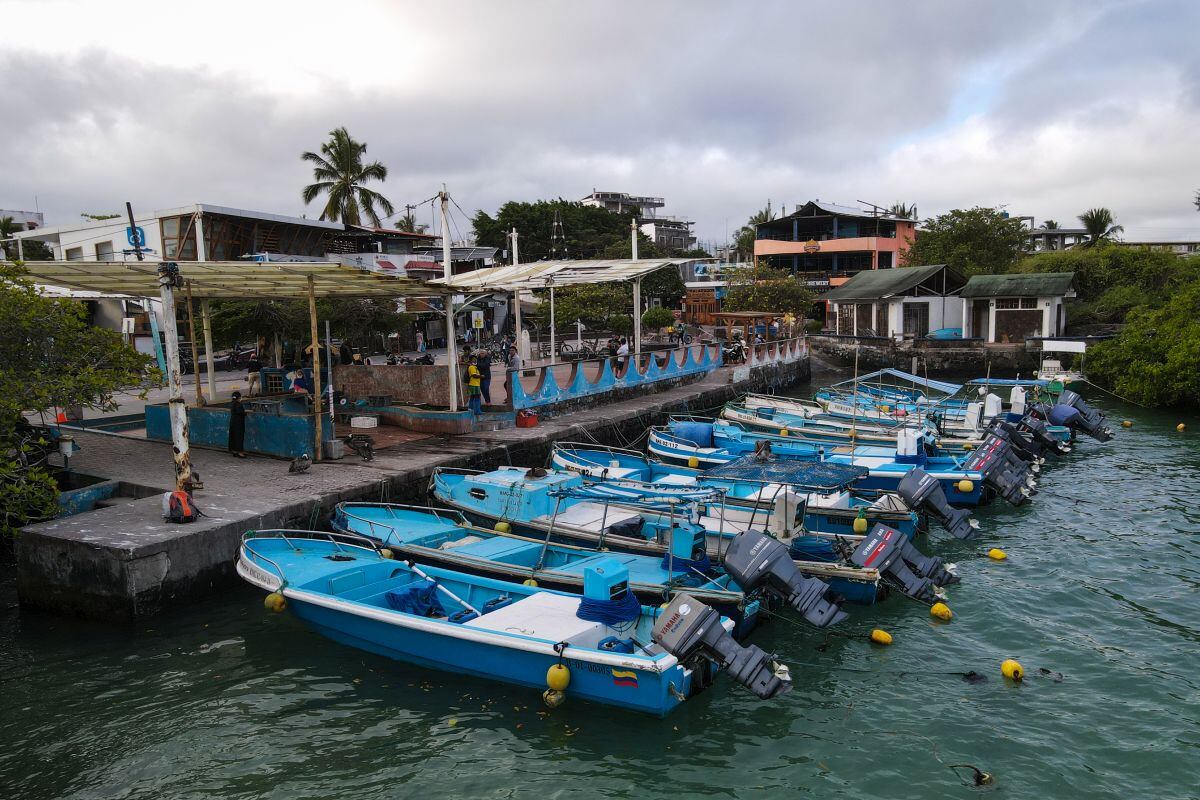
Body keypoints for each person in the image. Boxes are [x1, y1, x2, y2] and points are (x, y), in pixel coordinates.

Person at [228, 391, 247, 458]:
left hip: (233, 422)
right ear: (239, 398)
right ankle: (240, 452)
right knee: (239, 437)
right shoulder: (238, 404)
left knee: (233, 437)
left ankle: (234, 451)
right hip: (238, 423)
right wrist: (245, 413)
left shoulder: (232, 403)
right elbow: (241, 412)